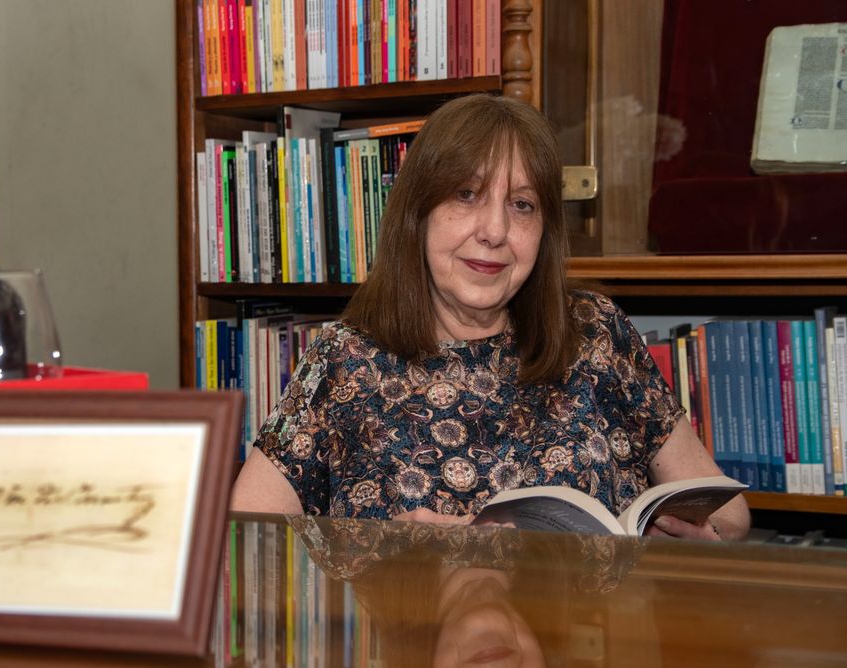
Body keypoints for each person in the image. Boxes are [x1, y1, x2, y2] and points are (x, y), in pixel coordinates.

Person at [230, 93, 750, 541]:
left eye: (522, 205)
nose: (495, 230)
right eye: (466, 195)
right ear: (418, 213)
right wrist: (381, 550)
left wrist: (702, 541)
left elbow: (729, 514)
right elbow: (250, 532)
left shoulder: (595, 330)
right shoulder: (345, 358)